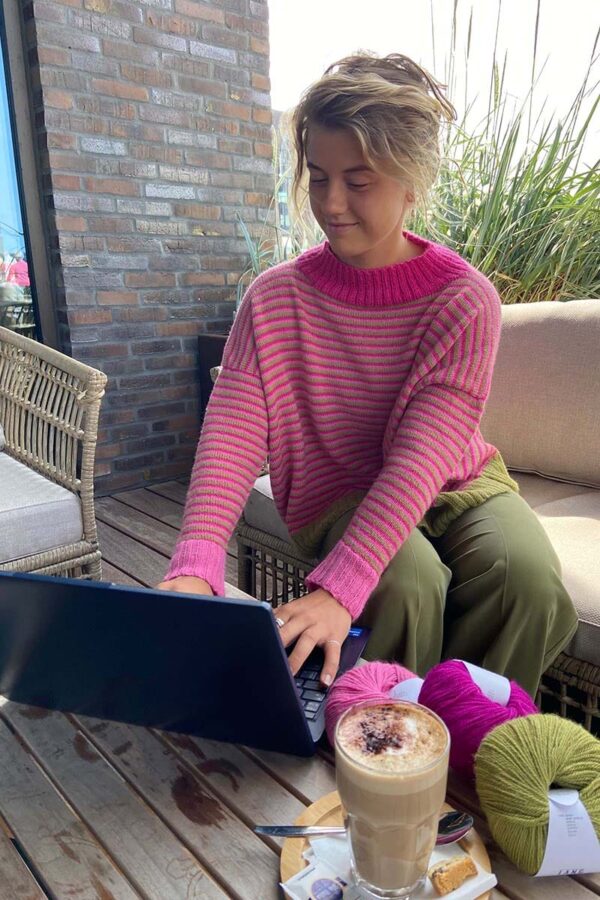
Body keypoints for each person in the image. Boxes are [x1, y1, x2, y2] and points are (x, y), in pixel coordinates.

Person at [158, 52, 577, 697]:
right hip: (338, 488)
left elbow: (422, 458)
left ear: (412, 181)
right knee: (407, 580)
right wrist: (197, 559)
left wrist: (340, 588)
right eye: (319, 176)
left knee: (528, 581)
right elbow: (232, 434)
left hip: (455, 482)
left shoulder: (464, 300)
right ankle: (371, 723)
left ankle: (466, 731)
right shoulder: (274, 298)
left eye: (358, 181)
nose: (331, 203)